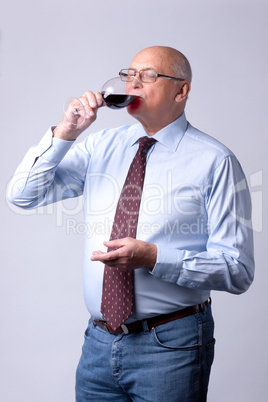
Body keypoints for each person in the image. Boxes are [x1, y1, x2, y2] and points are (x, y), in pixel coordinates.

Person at [7, 46, 254, 401]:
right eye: (129, 74)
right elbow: (22, 195)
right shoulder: (100, 146)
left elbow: (238, 270)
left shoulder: (216, 162)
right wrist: (66, 132)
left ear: (181, 90)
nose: (133, 83)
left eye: (148, 75)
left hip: (171, 345)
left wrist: (154, 258)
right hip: (98, 343)